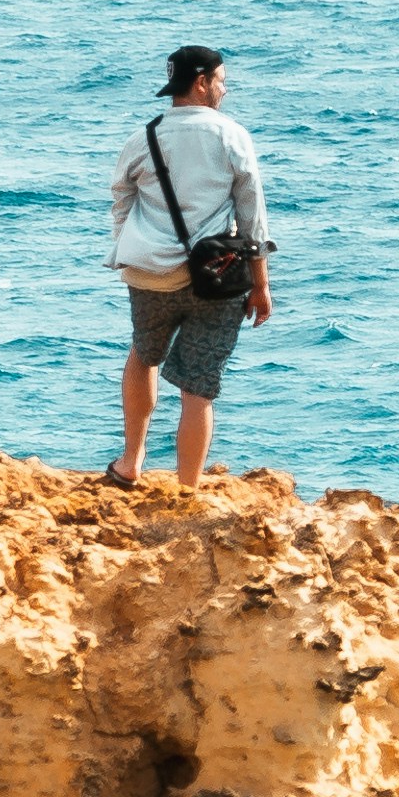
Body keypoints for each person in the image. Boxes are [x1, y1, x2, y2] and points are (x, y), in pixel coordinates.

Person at [103, 43, 276, 488]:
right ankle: (188, 487)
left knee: (144, 354)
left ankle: (130, 464)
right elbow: (252, 215)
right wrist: (260, 284)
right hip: (216, 277)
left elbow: (121, 196)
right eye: (221, 80)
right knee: (198, 387)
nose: (225, 88)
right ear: (201, 83)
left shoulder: (143, 137)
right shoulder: (231, 136)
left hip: (149, 275)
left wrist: (128, 243)